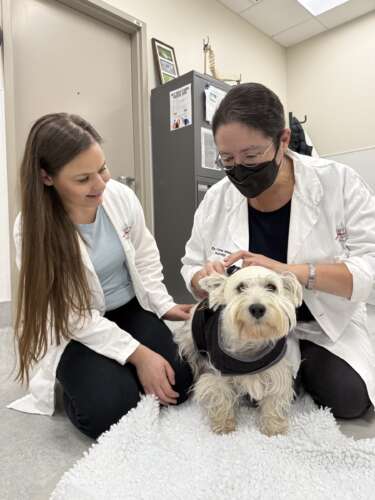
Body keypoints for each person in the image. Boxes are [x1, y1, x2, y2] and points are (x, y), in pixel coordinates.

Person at [181, 82, 375, 419]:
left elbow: (370, 267)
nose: (238, 169)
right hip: (242, 326)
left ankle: (297, 369)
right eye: (227, 158)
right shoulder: (216, 199)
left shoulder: (337, 182)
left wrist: (291, 272)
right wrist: (203, 276)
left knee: (349, 399)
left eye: (252, 156)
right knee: (187, 378)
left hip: (319, 319)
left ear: (283, 140)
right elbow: (191, 265)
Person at [8, 113, 193, 439]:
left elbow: (145, 255)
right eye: (83, 179)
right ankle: (78, 384)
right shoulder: (31, 229)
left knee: (181, 379)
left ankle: (117, 371)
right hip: (78, 328)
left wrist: (162, 304)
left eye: (102, 168)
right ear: (47, 177)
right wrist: (138, 354)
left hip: (128, 306)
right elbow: (71, 316)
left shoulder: (120, 197)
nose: (101, 184)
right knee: (112, 410)